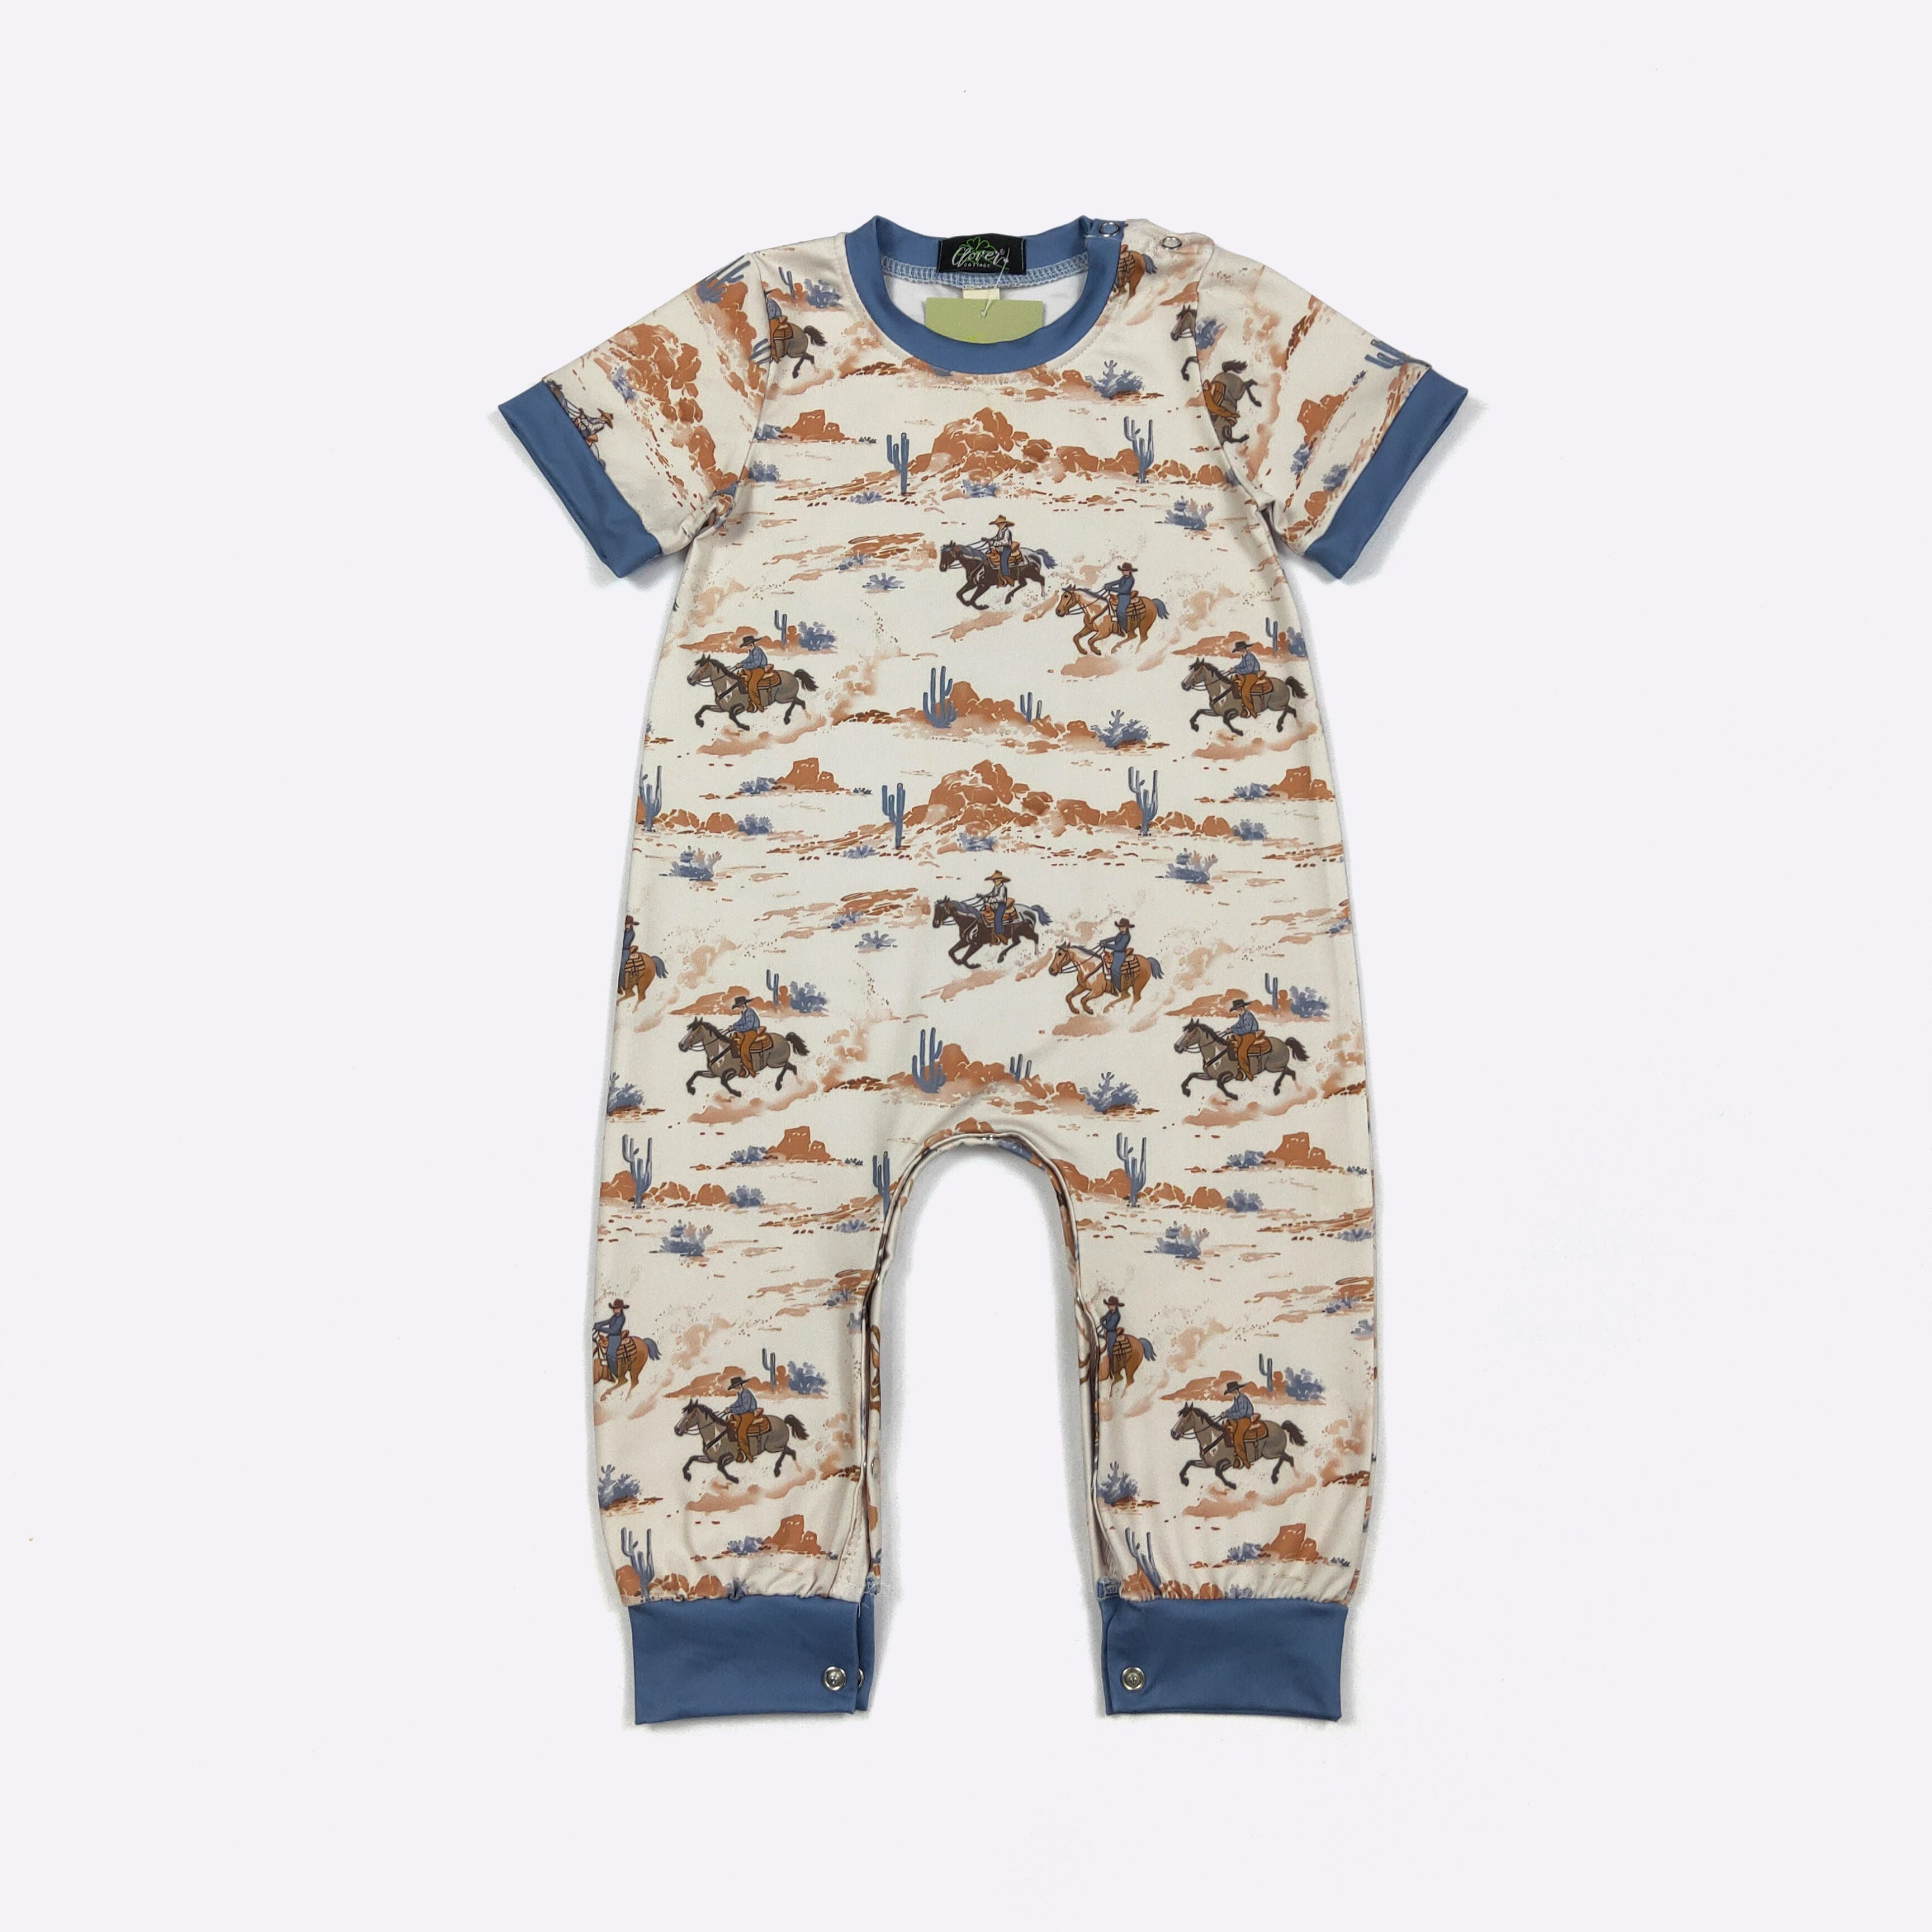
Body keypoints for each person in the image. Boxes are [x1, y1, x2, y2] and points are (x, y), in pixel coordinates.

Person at [1215, 1376, 1262, 1465]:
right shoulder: (1237, 1398)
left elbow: (1241, 1413)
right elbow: (1234, 1408)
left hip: (1245, 1419)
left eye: (1231, 1392)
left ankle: (1245, 1461)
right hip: (1240, 1418)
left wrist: (1228, 1415)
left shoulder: (1242, 1399)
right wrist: (1226, 1413)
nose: (1231, 1394)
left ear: (1235, 1391)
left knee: (1237, 1437)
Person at [727, 993, 771, 1077]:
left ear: (743, 1005)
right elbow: (740, 1022)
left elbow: (748, 1026)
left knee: (744, 1048)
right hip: (746, 1031)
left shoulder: (749, 1013)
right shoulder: (744, 1013)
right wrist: (733, 1026)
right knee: (733, 1039)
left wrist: (735, 1028)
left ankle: (750, 1069)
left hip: (752, 1032)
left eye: (739, 1006)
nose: (739, 1008)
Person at [722, 1374, 765, 1459]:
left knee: (741, 1433)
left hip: (748, 1414)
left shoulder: (746, 1394)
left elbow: (745, 1408)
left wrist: (732, 1410)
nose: (735, 1388)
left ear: (739, 1386)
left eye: (735, 1387)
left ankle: (748, 1455)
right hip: (742, 1413)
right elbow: (738, 1404)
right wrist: (730, 1408)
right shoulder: (741, 1393)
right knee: (729, 1423)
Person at [1228, 996, 1269, 1081]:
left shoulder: (1248, 1015)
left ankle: (1248, 1074)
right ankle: (1238, 1069)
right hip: (1244, 1034)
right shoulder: (1242, 1016)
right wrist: (1231, 1029)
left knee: (1241, 1051)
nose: (1237, 1012)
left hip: (1250, 1034)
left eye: (1237, 1010)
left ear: (1241, 1009)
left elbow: (1246, 1029)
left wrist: (1232, 1030)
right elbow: (1238, 1025)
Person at [735, 634, 779, 711]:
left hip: (759, 669)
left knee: (752, 685)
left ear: (751, 644)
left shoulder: (757, 651)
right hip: (754, 668)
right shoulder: (752, 651)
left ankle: (758, 706)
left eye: (747, 645)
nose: (746, 647)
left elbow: (756, 664)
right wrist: (741, 663)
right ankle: (750, 702)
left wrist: (743, 665)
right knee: (742, 675)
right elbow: (749, 660)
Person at [1228, 644, 1273, 717]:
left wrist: (1236, 670)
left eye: (1240, 651)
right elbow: (1241, 665)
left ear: (1243, 650)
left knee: (1245, 691)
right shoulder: (1245, 657)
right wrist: (1234, 669)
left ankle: (1252, 712)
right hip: (1246, 674)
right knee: (1234, 681)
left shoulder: (1249, 657)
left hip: (1252, 675)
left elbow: (1249, 669)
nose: (1239, 652)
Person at [592, 1298, 629, 1380]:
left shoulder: (621, 1318)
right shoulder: (615, 1316)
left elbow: (614, 1330)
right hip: (611, 1336)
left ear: (621, 1308)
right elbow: (608, 1321)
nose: (615, 1310)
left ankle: (617, 1374)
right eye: (615, 1308)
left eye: (617, 1308)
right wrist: (597, 1324)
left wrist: (600, 1328)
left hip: (616, 1337)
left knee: (610, 1354)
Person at [1097, 917, 1134, 996]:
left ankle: (1118, 989)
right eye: (1120, 927)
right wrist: (1105, 941)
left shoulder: (1127, 936)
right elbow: (1114, 939)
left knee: (1114, 969)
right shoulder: (1120, 934)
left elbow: (1119, 947)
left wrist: (1106, 945)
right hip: (1115, 953)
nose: (1121, 928)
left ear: (1127, 928)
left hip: (1120, 954)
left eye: (1123, 927)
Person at [1100, 561, 1137, 634]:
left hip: (1126, 596)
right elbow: (1117, 582)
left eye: (1127, 570)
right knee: (1109, 602)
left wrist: (1111, 588)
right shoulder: (1123, 578)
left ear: (1130, 571)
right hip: (1120, 596)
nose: (1125, 572)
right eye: (1124, 571)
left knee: (1120, 611)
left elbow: (1123, 590)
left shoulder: (1131, 580)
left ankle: (1124, 629)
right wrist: (1108, 584)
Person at [974, 870, 1014, 938]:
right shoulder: (996, 887)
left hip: (1001, 905)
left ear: (1001, 880)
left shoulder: (1003, 888)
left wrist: (990, 900)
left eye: (996, 880)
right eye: (994, 880)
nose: (995, 881)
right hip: (995, 904)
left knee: (998, 918)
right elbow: (992, 894)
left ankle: (999, 933)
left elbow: (1001, 898)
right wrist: (983, 896)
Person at [986, 514, 1020, 581]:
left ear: (1005, 524)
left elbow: (1006, 542)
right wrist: (989, 540)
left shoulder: (1007, 532)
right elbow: (997, 538)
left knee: (1004, 560)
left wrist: (995, 543)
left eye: (1000, 524)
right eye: (998, 524)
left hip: (1006, 548)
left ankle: (1006, 575)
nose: (999, 525)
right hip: (1000, 548)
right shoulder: (1000, 531)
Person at [1097, 1294, 1124, 1367]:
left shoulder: (1117, 1315)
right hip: (1107, 1332)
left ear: (1116, 1306)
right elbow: (1104, 1318)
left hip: (1112, 1333)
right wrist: (1101, 1320)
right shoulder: (1109, 1313)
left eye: (1112, 1305)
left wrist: (1102, 1324)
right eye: (1110, 1305)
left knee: (1110, 1349)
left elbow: (1110, 1327)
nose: (1111, 1306)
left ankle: (1112, 1366)